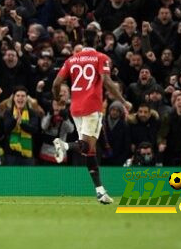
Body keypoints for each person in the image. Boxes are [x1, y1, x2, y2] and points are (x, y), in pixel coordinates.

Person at [52, 29, 132, 205]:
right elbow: (107, 81)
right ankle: (63, 145)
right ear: (97, 40)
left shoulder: (72, 59)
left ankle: (100, 191)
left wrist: (57, 98)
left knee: (89, 151)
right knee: (88, 145)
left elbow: (56, 83)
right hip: (92, 107)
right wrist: (123, 101)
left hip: (75, 107)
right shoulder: (100, 57)